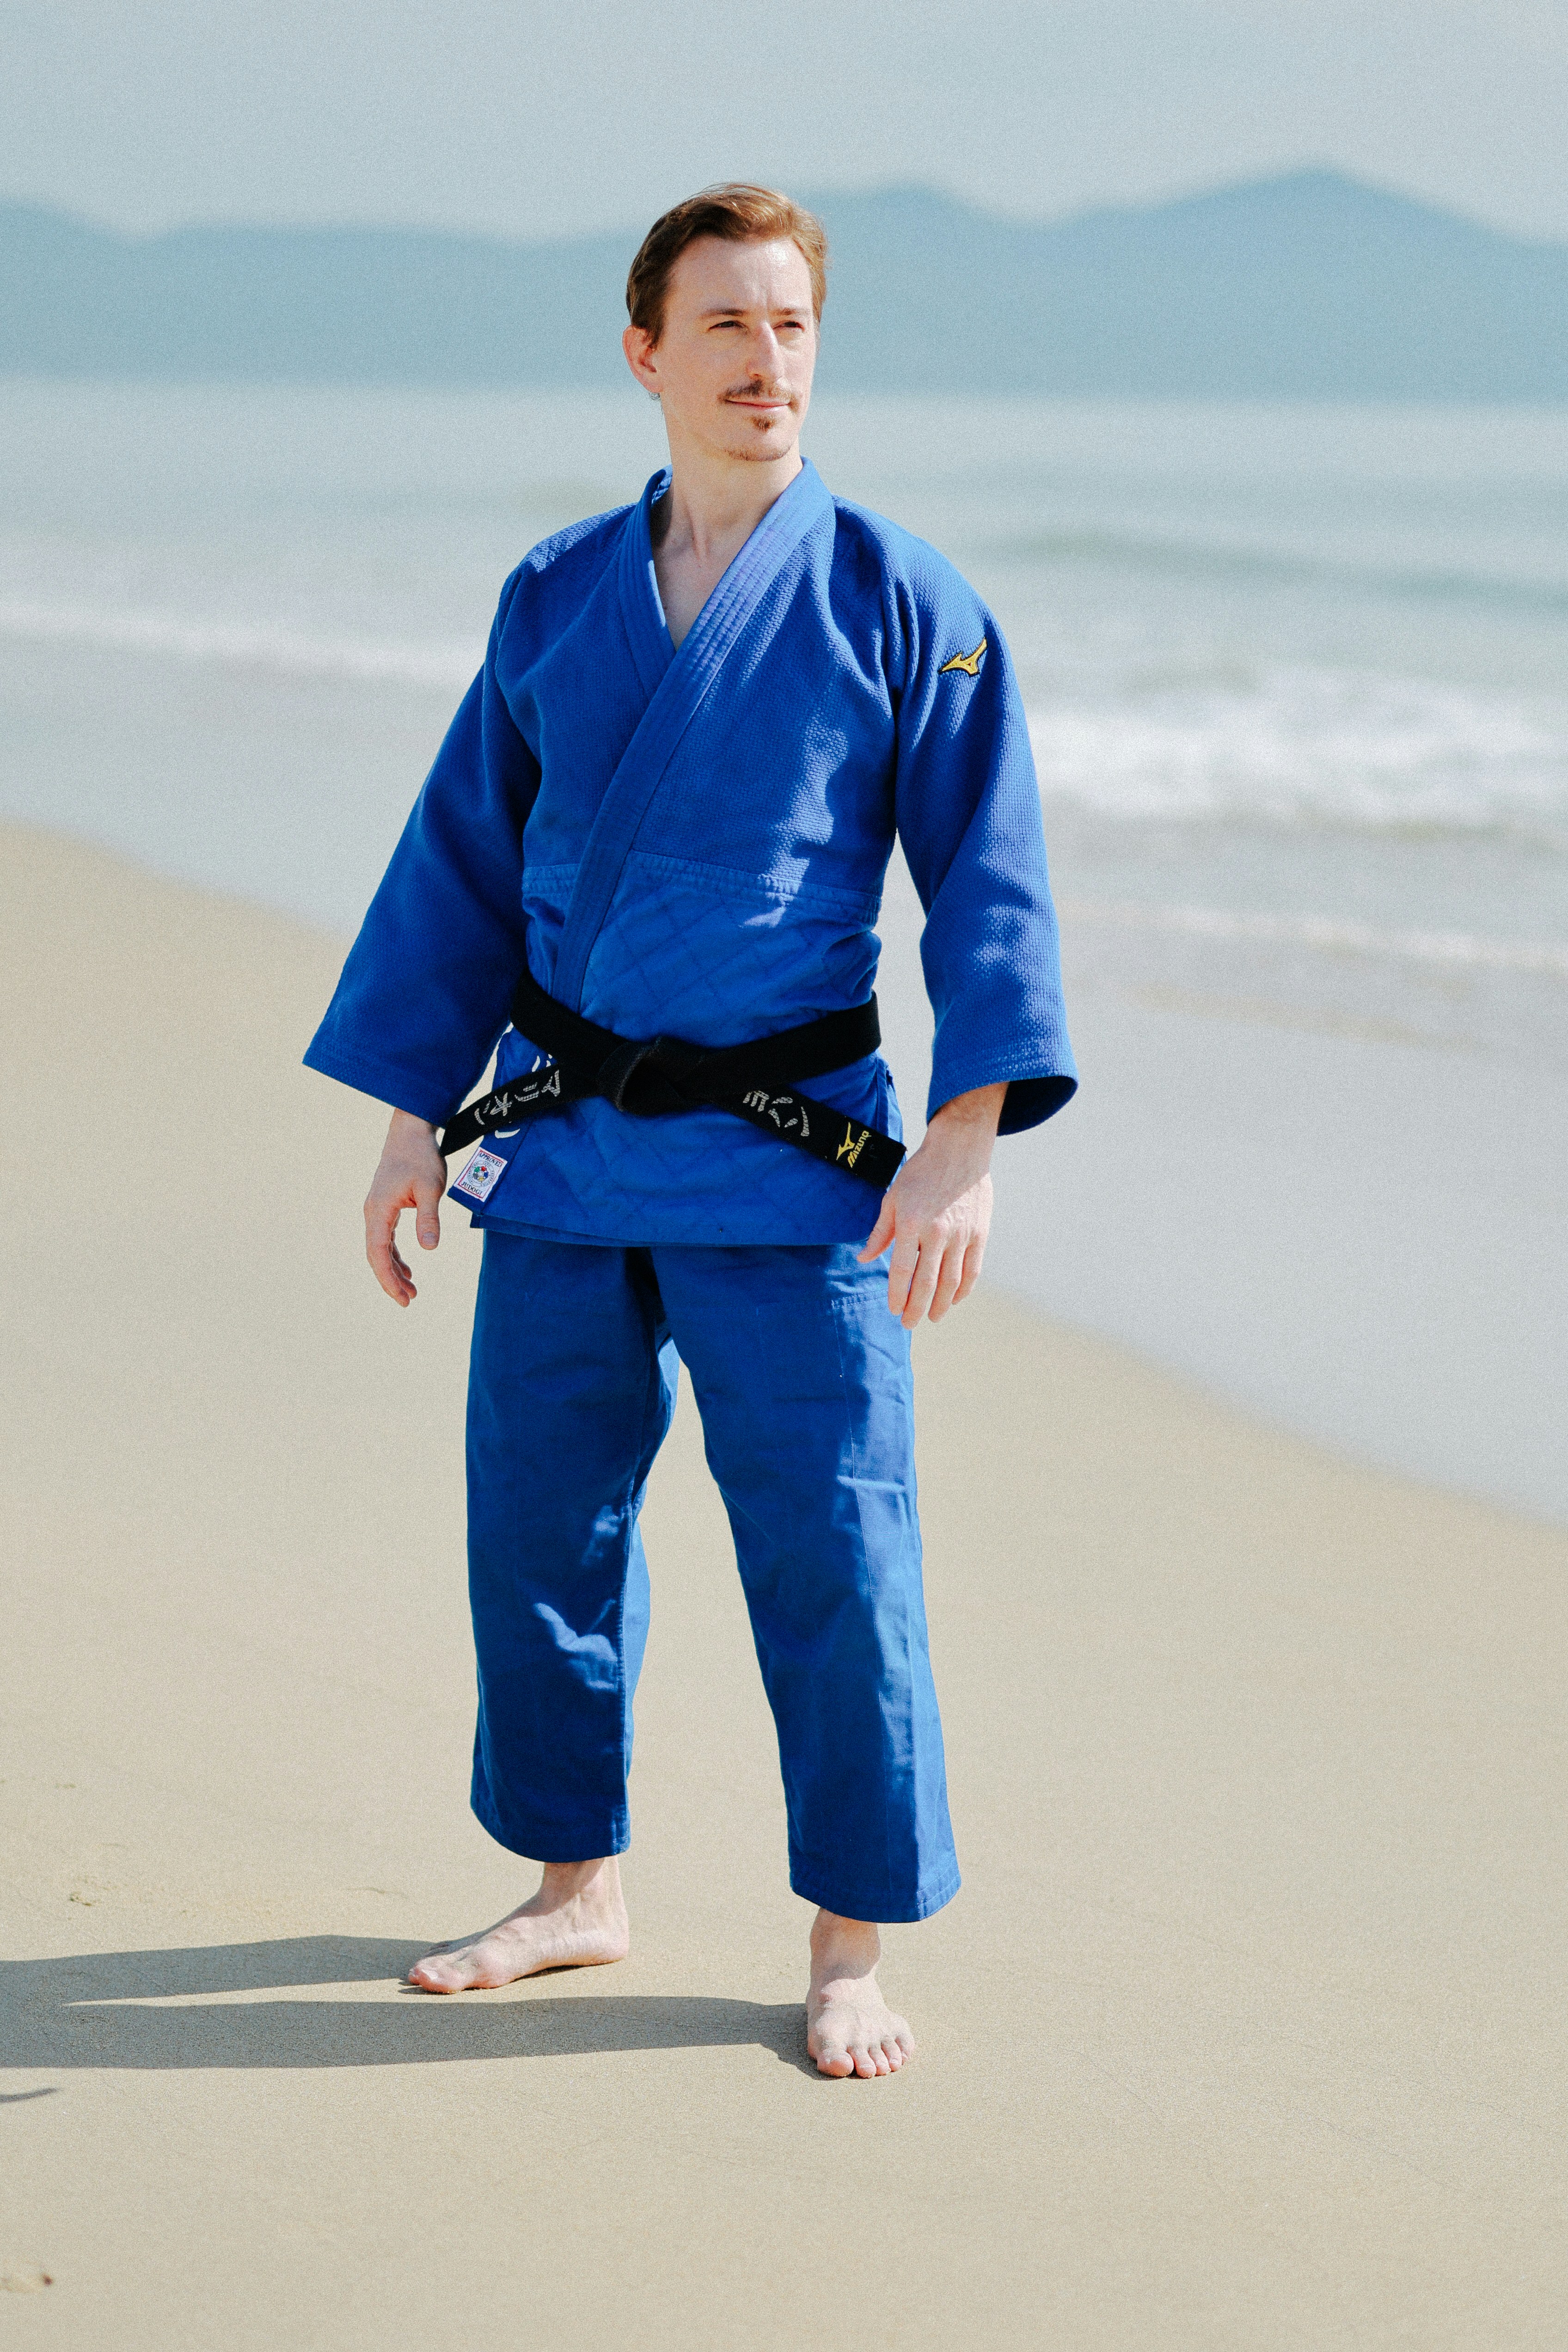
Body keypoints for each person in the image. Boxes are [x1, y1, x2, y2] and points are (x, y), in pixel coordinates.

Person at [304, 184, 1075, 2079]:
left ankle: (845, 1946)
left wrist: (961, 1136)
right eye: (726, 326)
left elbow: (986, 881)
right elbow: (461, 868)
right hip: (562, 1148)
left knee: (831, 1550)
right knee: (539, 1534)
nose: (766, 364)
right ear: (645, 354)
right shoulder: (557, 592)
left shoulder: (905, 598)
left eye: (794, 325)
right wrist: (416, 1125)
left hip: (793, 1159)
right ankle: (576, 1887)